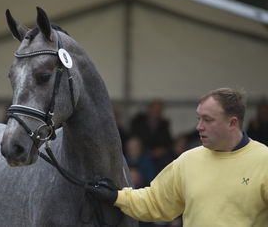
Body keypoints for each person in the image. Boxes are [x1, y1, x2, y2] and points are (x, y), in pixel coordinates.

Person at [87, 88, 268, 226]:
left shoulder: (263, 161)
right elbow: (155, 202)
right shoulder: (188, 161)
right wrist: (116, 196)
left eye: (207, 119)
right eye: (199, 119)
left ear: (232, 123)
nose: (199, 126)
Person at [129, 100, 173, 171]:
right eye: (154, 109)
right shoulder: (138, 121)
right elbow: (134, 137)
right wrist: (147, 151)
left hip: (158, 155)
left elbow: (168, 141)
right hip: (142, 151)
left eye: (159, 110)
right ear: (149, 109)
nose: (156, 112)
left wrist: (161, 150)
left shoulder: (164, 124)